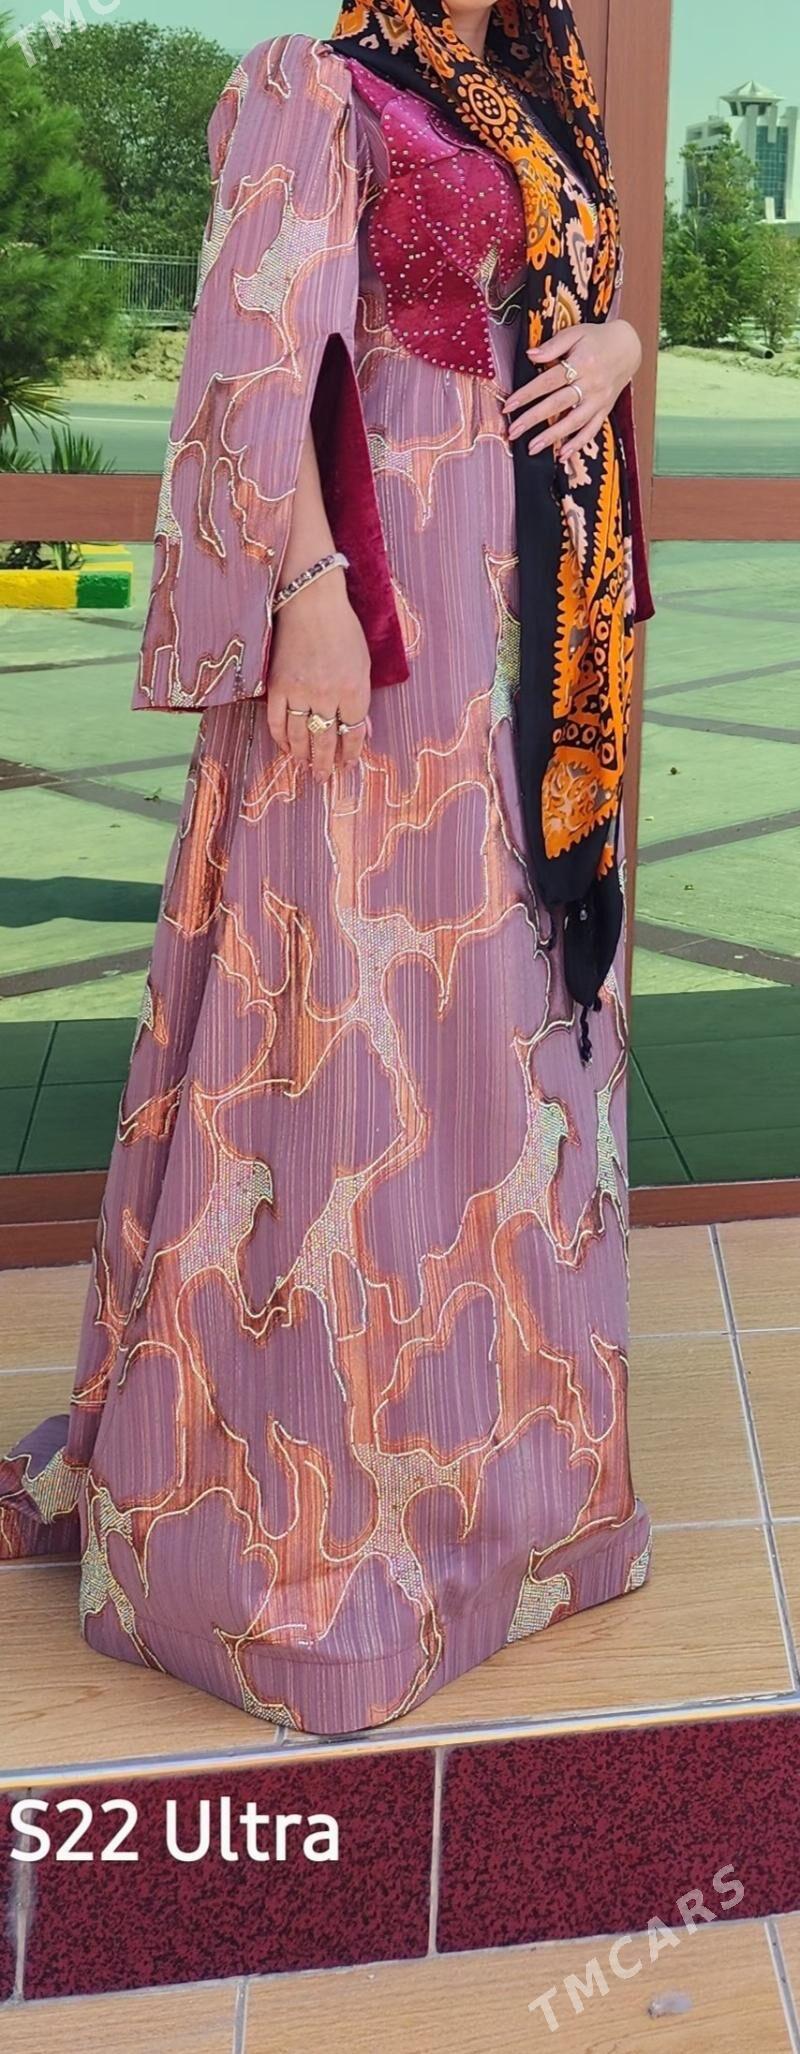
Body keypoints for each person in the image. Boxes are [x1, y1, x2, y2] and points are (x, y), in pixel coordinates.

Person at [0, 0, 655, 1737]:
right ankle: (309, 1538)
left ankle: (501, 1506)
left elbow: (566, 303)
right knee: (348, 1011)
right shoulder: (322, 83)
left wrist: (619, 346)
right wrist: (303, 592)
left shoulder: (539, 102)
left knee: (499, 1033)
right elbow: (257, 346)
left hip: (529, 612)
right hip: (384, 589)